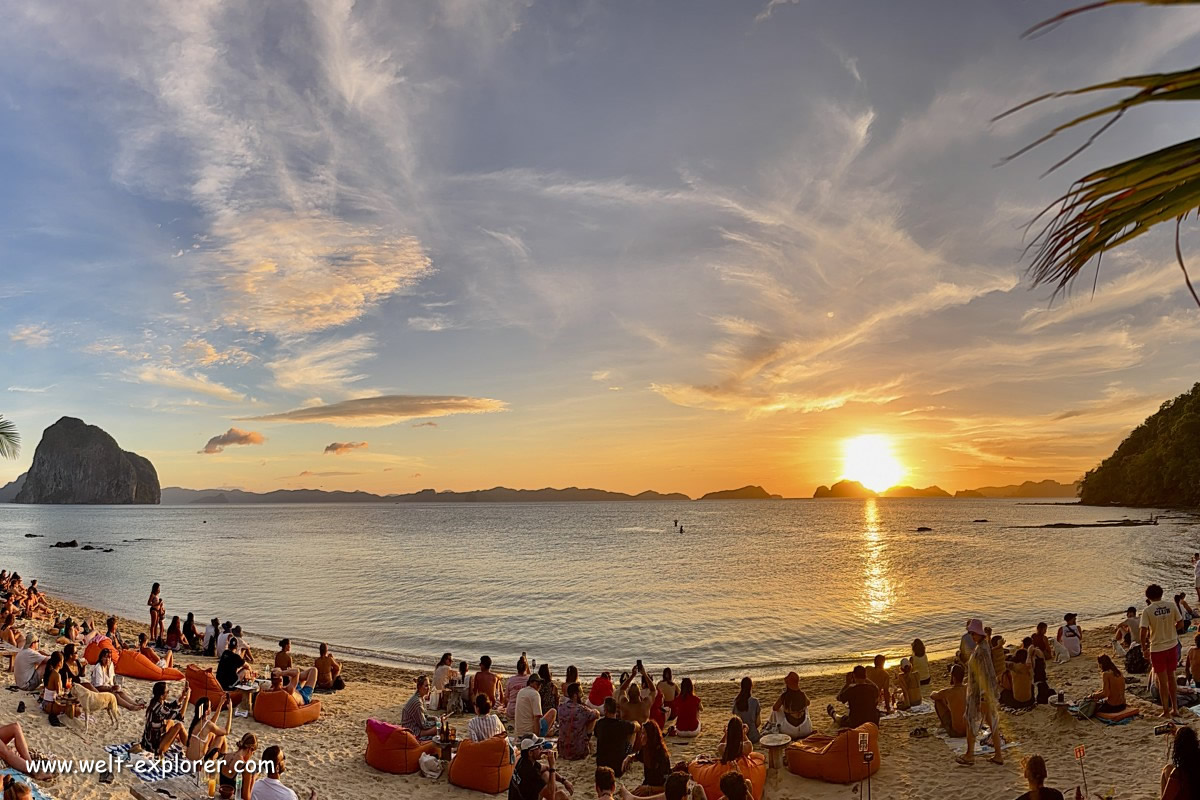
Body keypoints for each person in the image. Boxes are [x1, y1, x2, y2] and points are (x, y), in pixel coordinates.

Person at [960, 618, 1003, 766]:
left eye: (974, 633)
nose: (972, 636)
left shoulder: (983, 649)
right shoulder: (982, 647)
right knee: (990, 723)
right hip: (979, 691)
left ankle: (970, 754)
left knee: (971, 720)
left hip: (980, 693)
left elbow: (985, 672)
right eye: (971, 634)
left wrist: (984, 694)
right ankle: (997, 755)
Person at [1143, 583, 1183, 718]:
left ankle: (1166, 710)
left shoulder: (1148, 610)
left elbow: (1143, 631)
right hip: (1172, 644)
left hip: (1157, 647)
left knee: (1162, 680)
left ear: (1148, 597)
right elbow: (1181, 623)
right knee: (1172, 677)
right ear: (1161, 594)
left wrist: (1144, 647)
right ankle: (1175, 708)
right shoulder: (1171, 606)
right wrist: (1172, 632)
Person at [510, 735, 573, 800]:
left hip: (523, 796)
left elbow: (545, 768)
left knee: (546, 774)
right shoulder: (530, 772)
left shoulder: (524, 760)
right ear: (530, 753)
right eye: (538, 747)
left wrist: (563, 781)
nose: (541, 749)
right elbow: (552, 796)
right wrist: (552, 766)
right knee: (561, 795)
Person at [251, 745, 317, 800]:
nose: (285, 760)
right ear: (277, 768)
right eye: (283, 758)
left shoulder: (253, 787)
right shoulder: (288, 795)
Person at [141, 680, 189, 755]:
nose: (168, 693)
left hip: (148, 742)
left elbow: (171, 706)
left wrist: (182, 697)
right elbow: (180, 716)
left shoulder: (155, 702)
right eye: (167, 692)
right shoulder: (159, 708)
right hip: (154, 748)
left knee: (171, 722)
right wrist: (187, 699)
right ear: (162, 696)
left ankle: (179, 739)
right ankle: (190, 747)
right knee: (179, 726)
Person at [594, 697, 638, 776]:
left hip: (602, 768)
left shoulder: (599, 724)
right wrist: (634, 721)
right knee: (633, 732)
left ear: (605, 710)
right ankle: (628, 758)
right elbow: (638, 726)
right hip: (618, 768)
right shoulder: (622, 725)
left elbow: (596, 735)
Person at [556, 682, 600, 760]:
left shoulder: (561, 707)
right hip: (578, 751)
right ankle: (587, 740)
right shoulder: (582, 710)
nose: (582, 694)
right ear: (575, 695)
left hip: (562, 750)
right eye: (581, 692)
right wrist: (594, 710)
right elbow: (597, 714)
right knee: (592, 719)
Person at [626, 721, 670, 795]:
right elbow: (637, 756)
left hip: (656, 792)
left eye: (643, 733)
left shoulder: (661, 756)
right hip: (646, 786)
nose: (640, 736)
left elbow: (666, 787)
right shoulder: (646, 749)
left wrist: (649, 789)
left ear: (650, 735)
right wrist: (629, 757)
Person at [186, 695, 233, 763]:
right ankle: (222, 755)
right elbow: (226, 731)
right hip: (198, 764)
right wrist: (230, 711)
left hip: (188, 761)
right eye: (210, 707)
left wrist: (220, 704)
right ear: (206, 712)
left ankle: (222, 755)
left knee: (211, 734)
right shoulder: (208, 724)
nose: (211, 708)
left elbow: (212, 723)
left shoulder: (196, 721)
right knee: (222, 737)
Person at [1162, 724, 1200, 799]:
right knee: (1168, 768)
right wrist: (1177, 732)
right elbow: (1189, 742)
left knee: (1167, 770)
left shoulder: (1179, 772)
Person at [769, 672, 811, 739]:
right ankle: (800, 727)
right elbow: (808, 703)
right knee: (805, 707)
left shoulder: (784, 696)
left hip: (789, 731)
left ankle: (771, 727)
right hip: (805, 729)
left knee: (776, 710)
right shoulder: (802, 694)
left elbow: (774, 708)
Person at [40, 651, 77, 728]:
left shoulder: (50, 671)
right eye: (62, 661)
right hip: (50, 705)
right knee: (75, 709)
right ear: (59, 663)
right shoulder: (56, 675)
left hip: (45, 703)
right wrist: (65, 690)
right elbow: (59, 693)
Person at [931, 663, 967, 737]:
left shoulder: (949, 692)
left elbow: (933, 696)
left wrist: (935, 692)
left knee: (938, 701)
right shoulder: (968, 688)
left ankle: (944, 724)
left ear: (953, 678)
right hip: (969, 731)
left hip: (957, 732)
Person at [219, 733, 258, 800]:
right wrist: (253, 779)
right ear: (249, 749)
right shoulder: (245, 768)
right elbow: (246, 798)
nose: (251, 756)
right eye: (253, 753)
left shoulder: (226, 756)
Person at [727, 677, 760, 744]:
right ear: (751, 687)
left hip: (739, 737)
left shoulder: (737, 701)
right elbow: (758, 723)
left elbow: (735, 719)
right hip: (753, 736)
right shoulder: (755, 702)